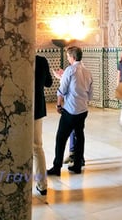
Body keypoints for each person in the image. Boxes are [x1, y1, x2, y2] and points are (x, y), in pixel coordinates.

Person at [47, 46, 93, 175]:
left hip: (70, 110)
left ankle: (57, 167)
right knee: (80, 136)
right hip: (83, 110)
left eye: (68, 56)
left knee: (61, 138)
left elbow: (62, 89)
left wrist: (58, 105)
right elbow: (90, 94)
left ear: (72, 57)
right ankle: (77, 165)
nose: (67, 58)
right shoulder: (87, 72)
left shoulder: (70, 70)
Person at [34, 54, 53, 195]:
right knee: (37, 147)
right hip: (37, 107)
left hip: (17, 109)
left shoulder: (16, 59)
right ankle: (42, 184)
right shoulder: (41, 60)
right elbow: (48, 83)